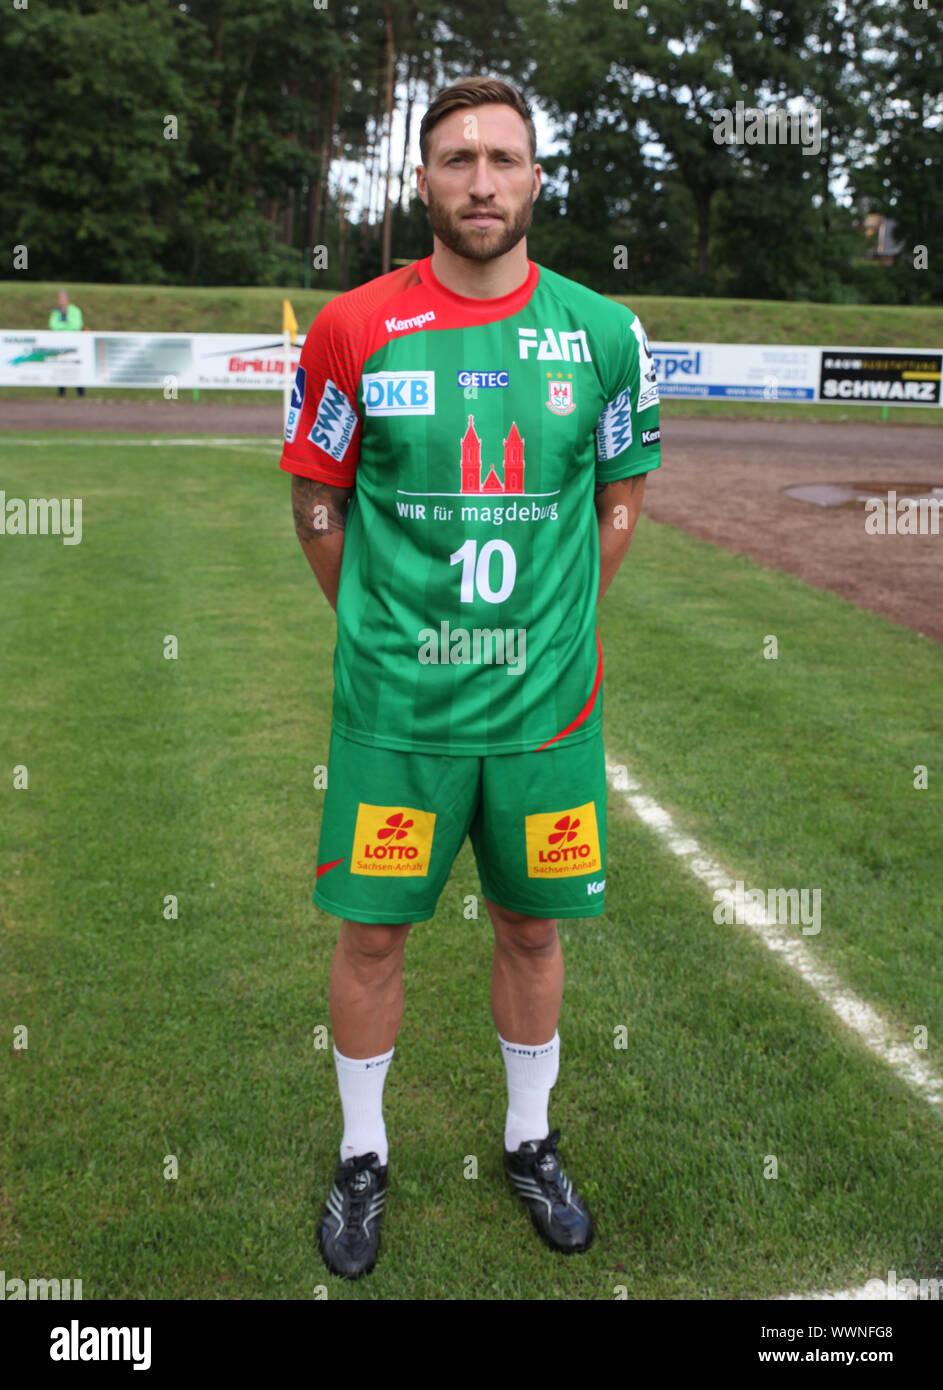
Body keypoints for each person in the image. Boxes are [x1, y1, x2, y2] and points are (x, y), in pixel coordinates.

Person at [280, 74, 662, 1281]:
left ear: (538, 178)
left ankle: (529, 1138)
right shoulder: (350, 327)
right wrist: (383, 633)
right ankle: (361, 1155)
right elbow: (316, 504)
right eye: (457, 159)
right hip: (397, 716)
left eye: (503, 158)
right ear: (424, 180)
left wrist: (552, 630)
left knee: (533, 927)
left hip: (546, 717)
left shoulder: (604, 334)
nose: (481, 181)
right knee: (372, 938)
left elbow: (618, 500)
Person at [48, 290, 86, 398]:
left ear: (68, 299)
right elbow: (53, 326)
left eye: (63, 298)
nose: (61, 301)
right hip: (60, 345)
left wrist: (62, 326)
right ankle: (61, 393)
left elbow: (77, 326)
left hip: (75, 345)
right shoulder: (55, 312)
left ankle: (81, 393)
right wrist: (67, 325)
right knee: (61, 366)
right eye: (59, 298)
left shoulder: (75, 311)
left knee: (76, 367)